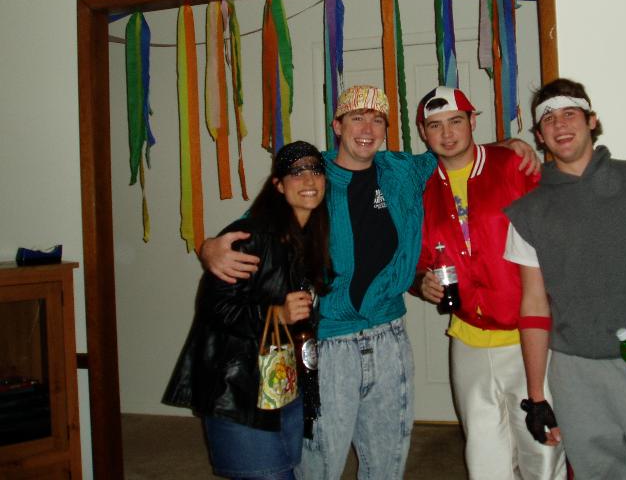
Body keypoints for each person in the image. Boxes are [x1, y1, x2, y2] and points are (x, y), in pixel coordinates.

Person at [200, 85, 538, 480]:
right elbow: (260, 220)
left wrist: (508, 145)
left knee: (386, 465)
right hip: (328, 344)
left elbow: (453, 148)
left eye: (377, 119)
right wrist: (210, 247)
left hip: (390, 338)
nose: (367, 128)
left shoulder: (402, 170)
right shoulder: (312, 175)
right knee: (319, 466)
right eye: (356, 118)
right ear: (337, 126)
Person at [503, 79, 626, 479]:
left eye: (570, 114)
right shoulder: (527, 213)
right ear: (539, 135)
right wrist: (537, 396)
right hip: (575, 376)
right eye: (548, 120)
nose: (560, 125)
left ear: (592, 121)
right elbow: (534, 305)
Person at [413, 86, 566, 480]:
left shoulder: (513, 165)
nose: (447, 133)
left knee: (542, 451)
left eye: (456, 121)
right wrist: (420, 282)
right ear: (423, 132)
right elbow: (420, 260)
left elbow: (556, 233)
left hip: (526, 338)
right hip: (467, 341)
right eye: (435, 126)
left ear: (472, 122)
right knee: (483, 456)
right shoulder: (421, 186)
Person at [162, 141, 329, 480]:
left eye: (315, 170)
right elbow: (215, 307)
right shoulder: (249, 237)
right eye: (296, 172)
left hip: (284, 382)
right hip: (240, 390)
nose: (308, 179)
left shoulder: (309, 237)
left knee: (284, 471)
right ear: (278, 185)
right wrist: (276, 314)